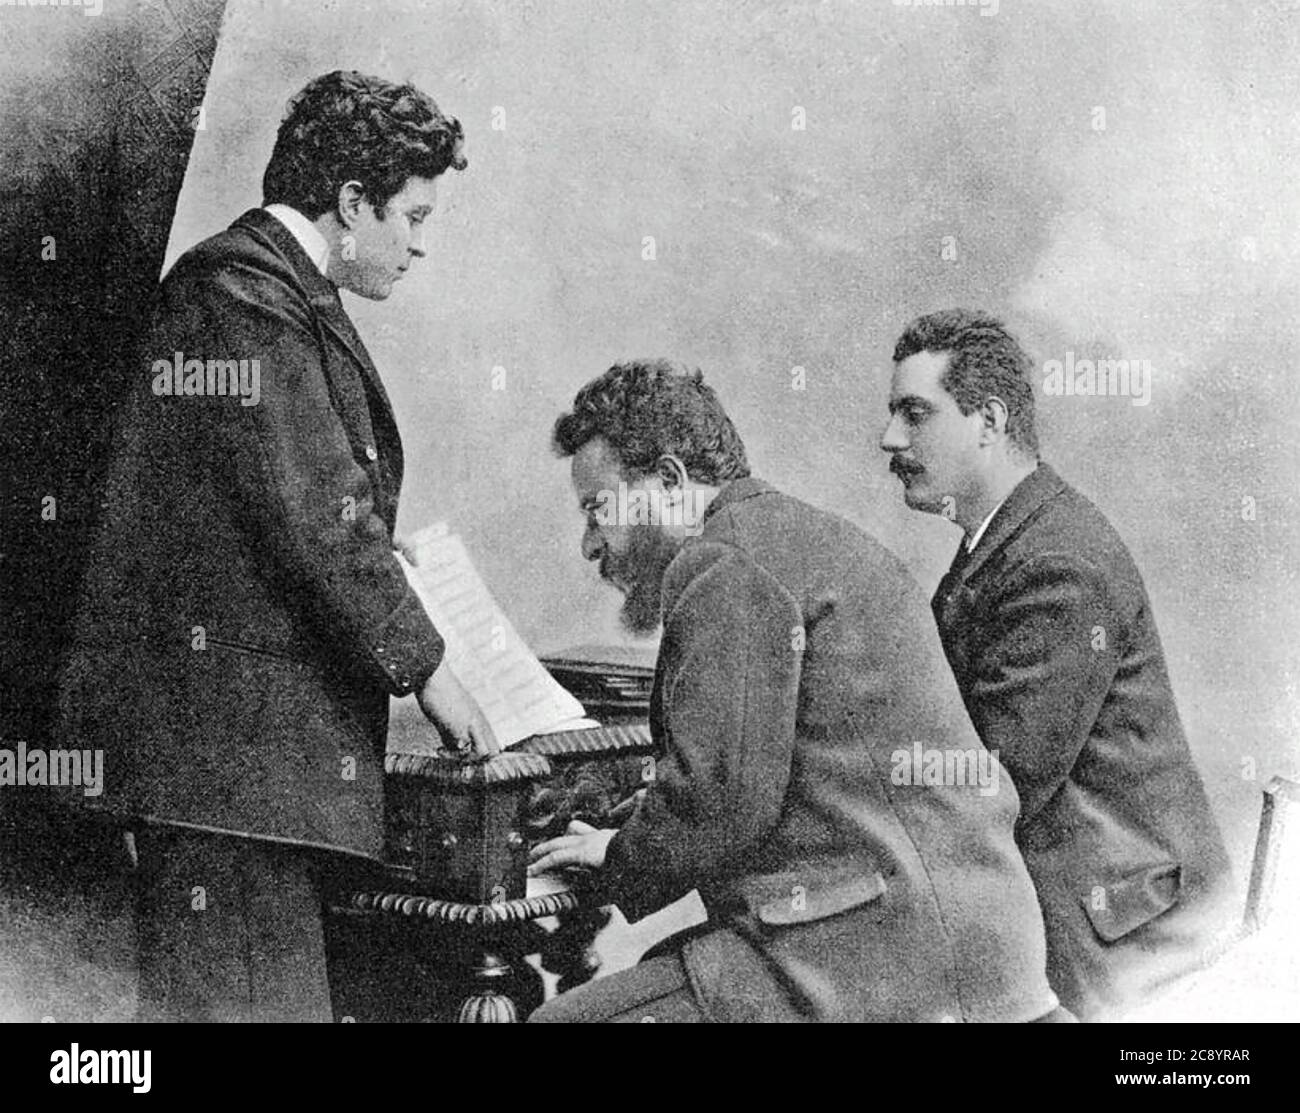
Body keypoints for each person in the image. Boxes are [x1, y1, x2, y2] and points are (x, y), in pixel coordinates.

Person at [56, 70, 495, 1022]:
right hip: (226, 773)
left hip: (238, 775)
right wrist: (432, 671)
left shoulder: (269, 292)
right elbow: (321, 512)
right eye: (413, 216)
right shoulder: (243, 295)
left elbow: (291, 508)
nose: (421, 243)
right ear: (350, 203)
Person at [527, 359, 1064, 1023]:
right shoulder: (795, 537)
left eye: (597, 508)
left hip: (877, 955)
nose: (590, 543)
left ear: (669, 480)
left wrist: (614, 854)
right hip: (972, 948)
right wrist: (634, 824)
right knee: (661, 973)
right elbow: (791, 770)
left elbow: (722, 801)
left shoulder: (725, 562)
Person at [880, 308, 1233, 1020]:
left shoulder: (1056, 560)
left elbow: (993, 784)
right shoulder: (1008, 538)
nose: (889, 439)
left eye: (915, 413)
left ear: (989, 420)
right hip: (1063, 904)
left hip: (1124, 936)